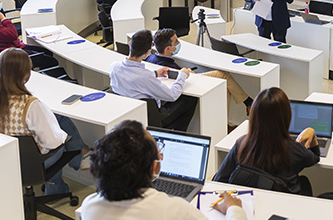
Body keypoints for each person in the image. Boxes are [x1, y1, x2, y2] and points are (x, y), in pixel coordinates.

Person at [0, 48, 90, 195]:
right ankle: (59, 186)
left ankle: (80, 158)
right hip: (31, 164)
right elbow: (53, 143)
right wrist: (64, 135)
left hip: (2, 161)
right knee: (61, 129)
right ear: (25, 74)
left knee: (55, 122)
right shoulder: (31, 105)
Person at [80, 120, 245, 220]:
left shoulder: (89, 206)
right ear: (153, 167)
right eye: (158, 151)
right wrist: (233, 208)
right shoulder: (174, 210)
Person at [213, 87, 319, 195]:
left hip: (249, 204)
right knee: (304, 181)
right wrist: (312, 135)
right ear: (286, 116)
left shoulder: (241, 144)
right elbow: (315, 157)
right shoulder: (295, 149)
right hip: (282, 205)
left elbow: (219, 179)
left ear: (254, 116)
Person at [147, 29, 254, 115]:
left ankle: (228, 121)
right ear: (167, 49)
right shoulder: (167, 66)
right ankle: (248, 102)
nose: (179, 43)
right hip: (189, 82)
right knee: (222, 75)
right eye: (176, 42)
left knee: (224, 87)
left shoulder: (152, 59)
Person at [109, 30, 197, 131]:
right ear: (147, 52)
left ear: (130, 44)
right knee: (190, 99)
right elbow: (172, 95)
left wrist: (155, 73)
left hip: (129, 111)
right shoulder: (145, 76)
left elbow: (134, 76)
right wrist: (182, 75)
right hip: (153, 116)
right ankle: (177, 135)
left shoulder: (114, 67)